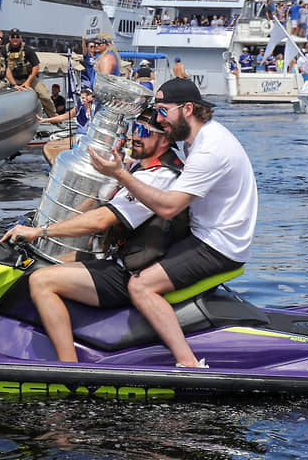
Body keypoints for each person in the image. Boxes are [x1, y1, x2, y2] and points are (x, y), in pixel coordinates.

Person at [88, 78, 257, 368]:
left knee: (141, 286)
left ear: (188, 109)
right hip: (209, 231)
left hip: (219, 244)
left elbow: (168, 207)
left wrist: (120, 175)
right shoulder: (199, 139)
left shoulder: (209, 150)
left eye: (164, 111)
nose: (159, 119)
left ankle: (188, 362)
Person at [0, 108, 185, 363]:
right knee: (46, 262)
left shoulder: (160, 176)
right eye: (133, 130)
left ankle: (69, 366)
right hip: (122, 258)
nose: (134, 137)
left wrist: (41, 232)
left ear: (165, 140)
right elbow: (97, 203)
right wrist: (42, 217)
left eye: (143, 132)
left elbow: (101, 220)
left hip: (130, 271)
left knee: (41, 280)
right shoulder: (140, 169)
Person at [5, 28, 56, 116]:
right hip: (12, 80)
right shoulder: (4, 50)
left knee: (45, 95)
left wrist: (27, 83)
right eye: (13, 37)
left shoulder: (27, 49)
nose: (15, 39)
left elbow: (36, 67)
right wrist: (14, 84)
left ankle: (53, 116)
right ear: (9, 38)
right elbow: (6, 69)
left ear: (20, 38)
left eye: (17, 37)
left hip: (29, 79)